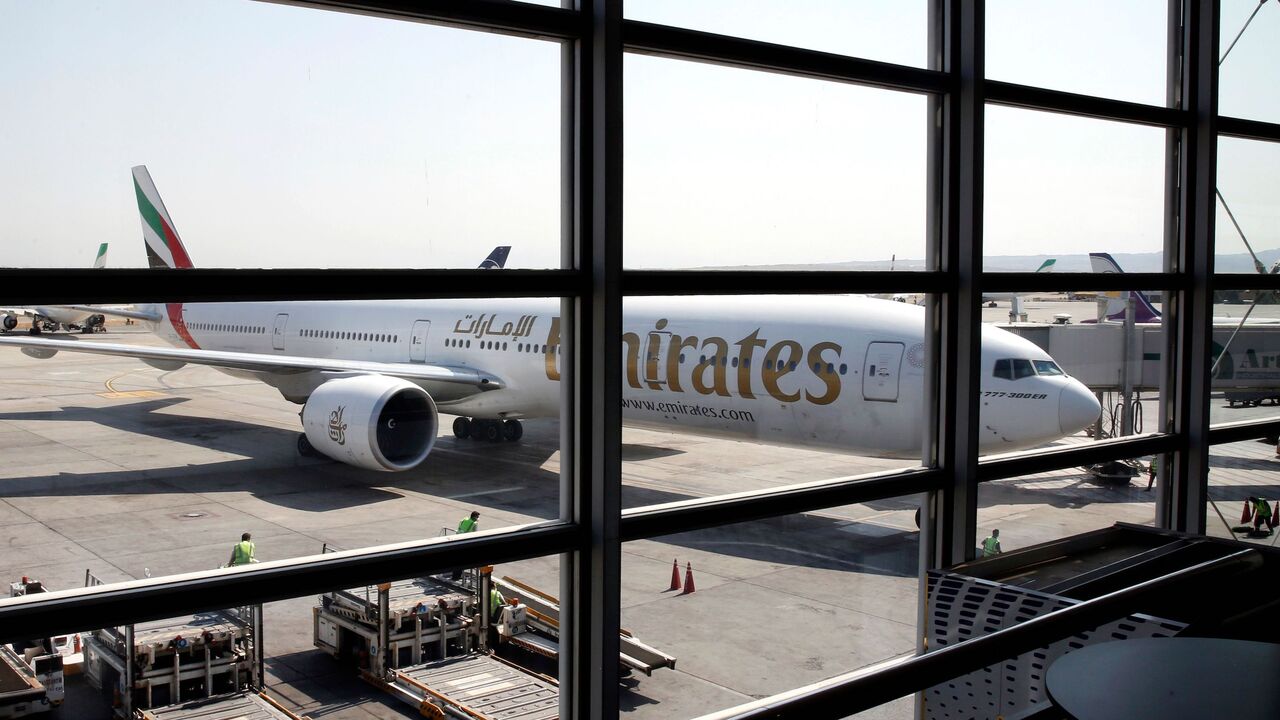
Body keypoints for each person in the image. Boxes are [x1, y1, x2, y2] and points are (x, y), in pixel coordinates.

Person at [451, 511, 480, 579]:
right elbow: (475, 534)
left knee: (457, 559)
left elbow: (460, 527)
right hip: (464, 542)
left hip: (457, 540)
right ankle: (457, 576)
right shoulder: (474, 523)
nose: (478, 518)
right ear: (475, 517)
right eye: (477, 517)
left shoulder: (464, 519)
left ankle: (455, 575)